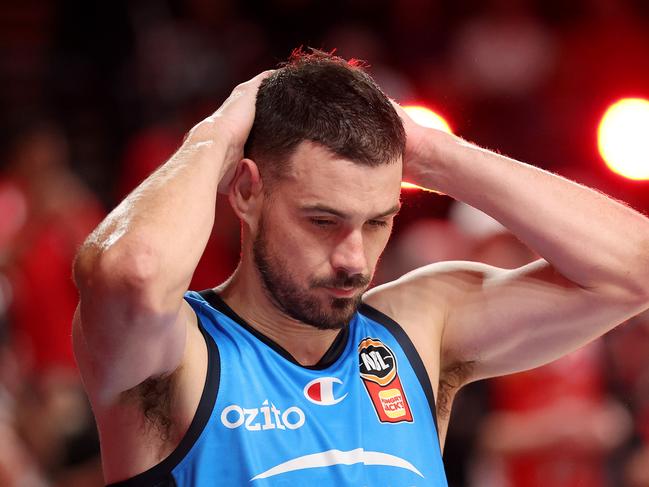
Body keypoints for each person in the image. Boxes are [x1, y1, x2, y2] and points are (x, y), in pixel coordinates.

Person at [71, 49, 649, 486]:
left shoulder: (419, 329)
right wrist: (220, 133)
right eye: (323, 221)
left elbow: (636, 269)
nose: (353, 260)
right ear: (247, 191)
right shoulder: (181, 353)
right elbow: (133, 272)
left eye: (377, 222)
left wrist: (429, 151)